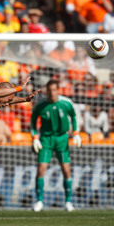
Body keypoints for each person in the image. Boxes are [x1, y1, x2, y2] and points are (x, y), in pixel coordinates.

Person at [30, 79, 82, 212]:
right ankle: (39, 201)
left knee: (66, 170)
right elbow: (33, 120)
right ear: (47, 91)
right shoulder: (41, 105)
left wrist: (75, 133)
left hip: (62, 139)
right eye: (50, 90)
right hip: (46, 139)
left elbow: (74, 116)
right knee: (41, 169)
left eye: (54, 90)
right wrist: (35, 137)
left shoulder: (66, 103)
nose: (52, 93)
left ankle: (68, 202)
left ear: (58, 90)